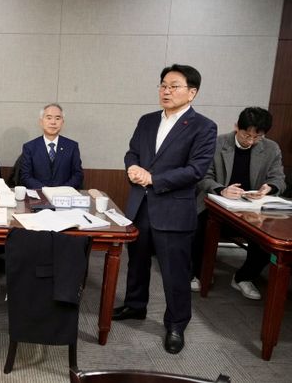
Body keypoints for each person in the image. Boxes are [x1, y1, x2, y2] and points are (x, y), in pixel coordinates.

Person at [112, 64, 217, 355]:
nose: (166, 91)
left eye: (174, 86)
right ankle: (135, 305)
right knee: (137, 262)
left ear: (192, 92)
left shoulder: (203, 127)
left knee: (174, 272)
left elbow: (196, 170)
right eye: (163, 85)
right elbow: (132, 151)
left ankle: (176, 324)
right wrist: (132, 166)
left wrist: (154, 179)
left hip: (173, 209)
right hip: (140, 205)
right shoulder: (147, 120)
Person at [193, 107, 286, 299]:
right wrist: (222, 189)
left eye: (257, 137)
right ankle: (199, 273)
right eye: (246, 135)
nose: (250, 141)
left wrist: (269, 187)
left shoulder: (271, 148)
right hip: (216, 205)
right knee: (197, 228)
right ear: (237, 127)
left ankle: (243, 277)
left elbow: (279, 179)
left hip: (251, 208)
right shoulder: (217, 143)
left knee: (270, 238)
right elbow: (203, 176)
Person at [20, 103, 84, 189]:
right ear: (41, 122)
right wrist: (45, 190)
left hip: (64, 195)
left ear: (62, 123)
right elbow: (25, 176)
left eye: (57, 118)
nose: (53, 122)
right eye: (49, 118)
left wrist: (62, 190)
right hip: (39, 194)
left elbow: (78, 175)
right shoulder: (29, 147)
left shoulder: (72, 146)